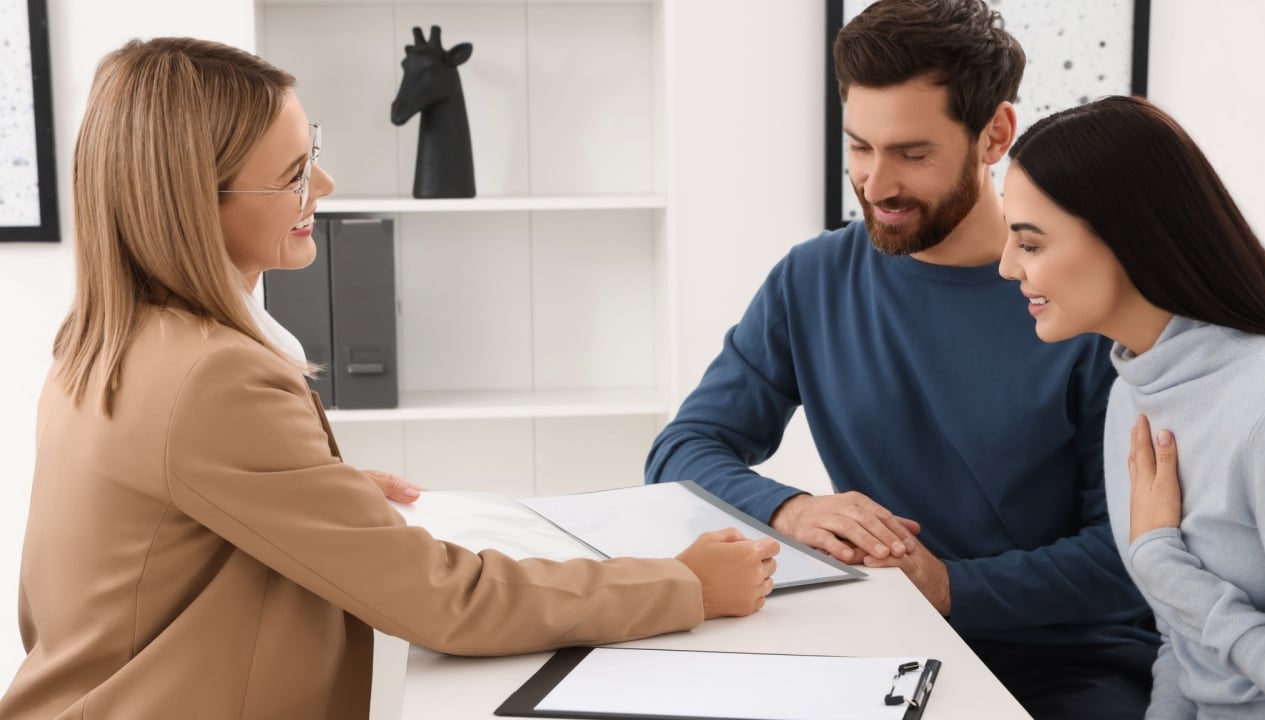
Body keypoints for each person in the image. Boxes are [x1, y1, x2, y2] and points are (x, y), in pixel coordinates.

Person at [0, 37, 779, 719]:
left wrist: (308, 491)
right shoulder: (212, 379)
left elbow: (112, 575)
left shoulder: (101, 344)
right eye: (295, 175)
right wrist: (682, 588)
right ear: (193, 204)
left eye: (315, 153)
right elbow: (441, 600)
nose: (326, 189)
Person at [645, 1, 1157, 717]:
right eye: (860, 146)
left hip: (1069, 664)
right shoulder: (811, 279)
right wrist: (790, 509)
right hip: (881, 641)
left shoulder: (1086, 296)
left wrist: (950, 586)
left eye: (913, 154)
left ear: (994, 136)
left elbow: (1132, 554)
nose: (877, 185)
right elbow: (680, 451)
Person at [999, 94, 1265, 720]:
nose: (1005, 266)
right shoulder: (1133, 386)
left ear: (1127, 239)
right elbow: (1181, 643)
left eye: (1032, 244)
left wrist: (1161, 561)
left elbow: (1180, 598)